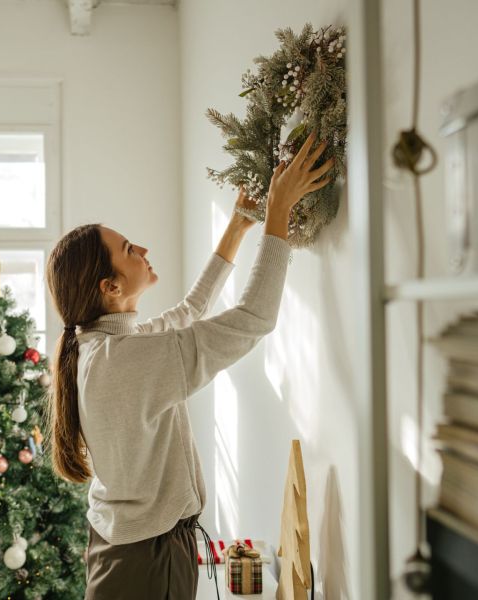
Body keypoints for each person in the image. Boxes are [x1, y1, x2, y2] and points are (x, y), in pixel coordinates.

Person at [44, 132, 333, 599]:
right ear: (109, 287)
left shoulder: (105, 344)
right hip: (146, 560)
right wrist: (277, 215)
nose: (143, 250)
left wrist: (237, 229)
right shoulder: (122, 361)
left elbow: (187, 312)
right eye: (129, 250)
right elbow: (253, 319)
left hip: (133, 548)